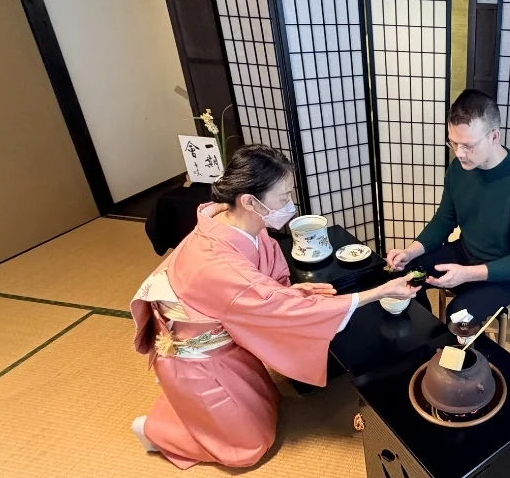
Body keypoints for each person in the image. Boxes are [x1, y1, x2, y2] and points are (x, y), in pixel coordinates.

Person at [130, 144, 418, 469]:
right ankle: (155, 432)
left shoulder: (232, 223)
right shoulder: (219, 264)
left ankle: (189, 409)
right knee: (249, 447)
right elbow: (266, 300)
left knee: (267, 402)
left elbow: (261, 289)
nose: (290, 205)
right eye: (283, 197)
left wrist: (290, 292)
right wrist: (380, 292)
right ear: (249, 201)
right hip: (199, 356)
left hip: (223, 335)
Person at [387, 89, 510, 324]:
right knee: (406, 275)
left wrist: (466, 274)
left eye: (468, 145)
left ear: (494, 136)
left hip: (509, 274)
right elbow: (444, 219)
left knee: (458, 316)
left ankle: (451, 342)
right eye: (453, 143)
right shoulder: (458, 170)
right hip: (468, 252)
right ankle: (425, 335)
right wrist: (409, 252)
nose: (459, 154)